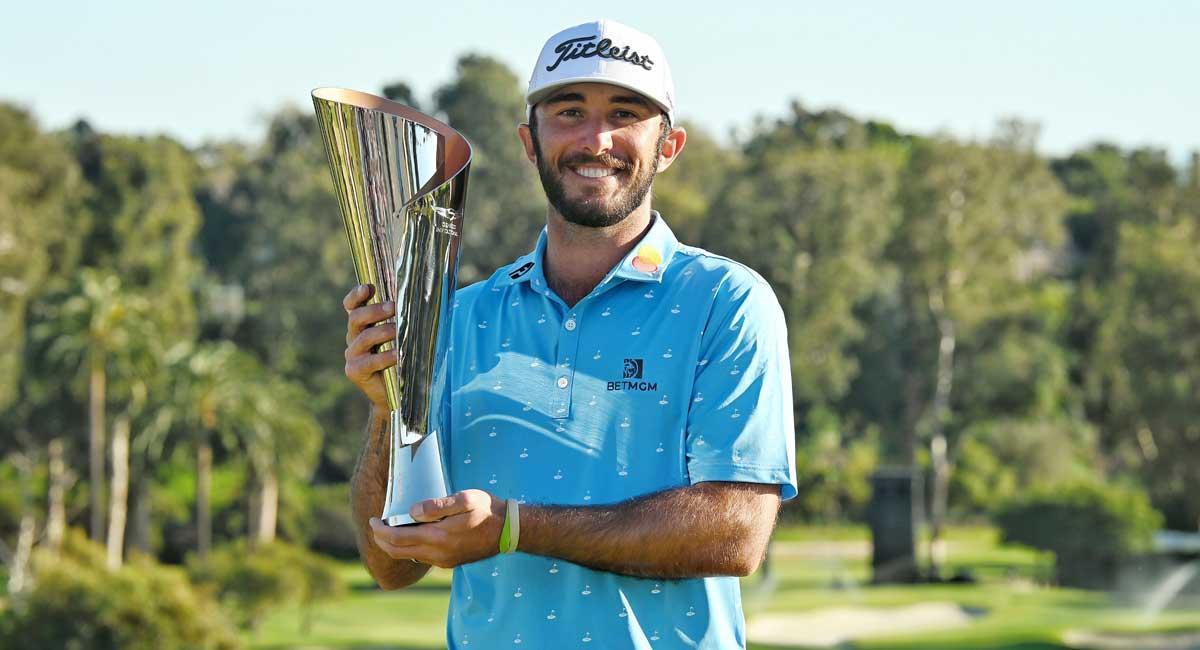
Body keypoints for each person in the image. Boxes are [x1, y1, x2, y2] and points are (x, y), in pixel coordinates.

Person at [342, 19, 797, 649]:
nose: (597, 138)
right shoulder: (460, 317)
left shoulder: (726, 302)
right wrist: (385, 407)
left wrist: (515, 528)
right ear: (530, 142)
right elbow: (391, 564)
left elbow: (736, 532)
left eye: (626, 113)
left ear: (668, 146)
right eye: (569, 111)